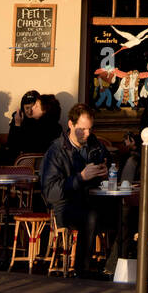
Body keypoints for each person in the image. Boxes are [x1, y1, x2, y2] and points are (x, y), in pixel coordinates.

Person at [39, 103, 109, 276]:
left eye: (90, 129)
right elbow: (50, 192)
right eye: (82, 129)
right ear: (70, 124)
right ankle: (82, 271)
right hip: (65, 206)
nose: (86, 134)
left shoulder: (96, 145)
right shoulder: (56, 151)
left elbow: (110, 164)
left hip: (93, 200)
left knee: (123, 213)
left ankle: (113, 266)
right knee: (91, 216)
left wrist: (107, 171)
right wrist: (81, 177)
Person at [6, 89, 61, 160]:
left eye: (35, 106)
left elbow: (18, 147)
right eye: (27, 108)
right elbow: (11, 146)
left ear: (44, 110)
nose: (30, 111)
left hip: (32, 166)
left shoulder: (50, 126)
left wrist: (17, 125)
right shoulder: (19, 118)